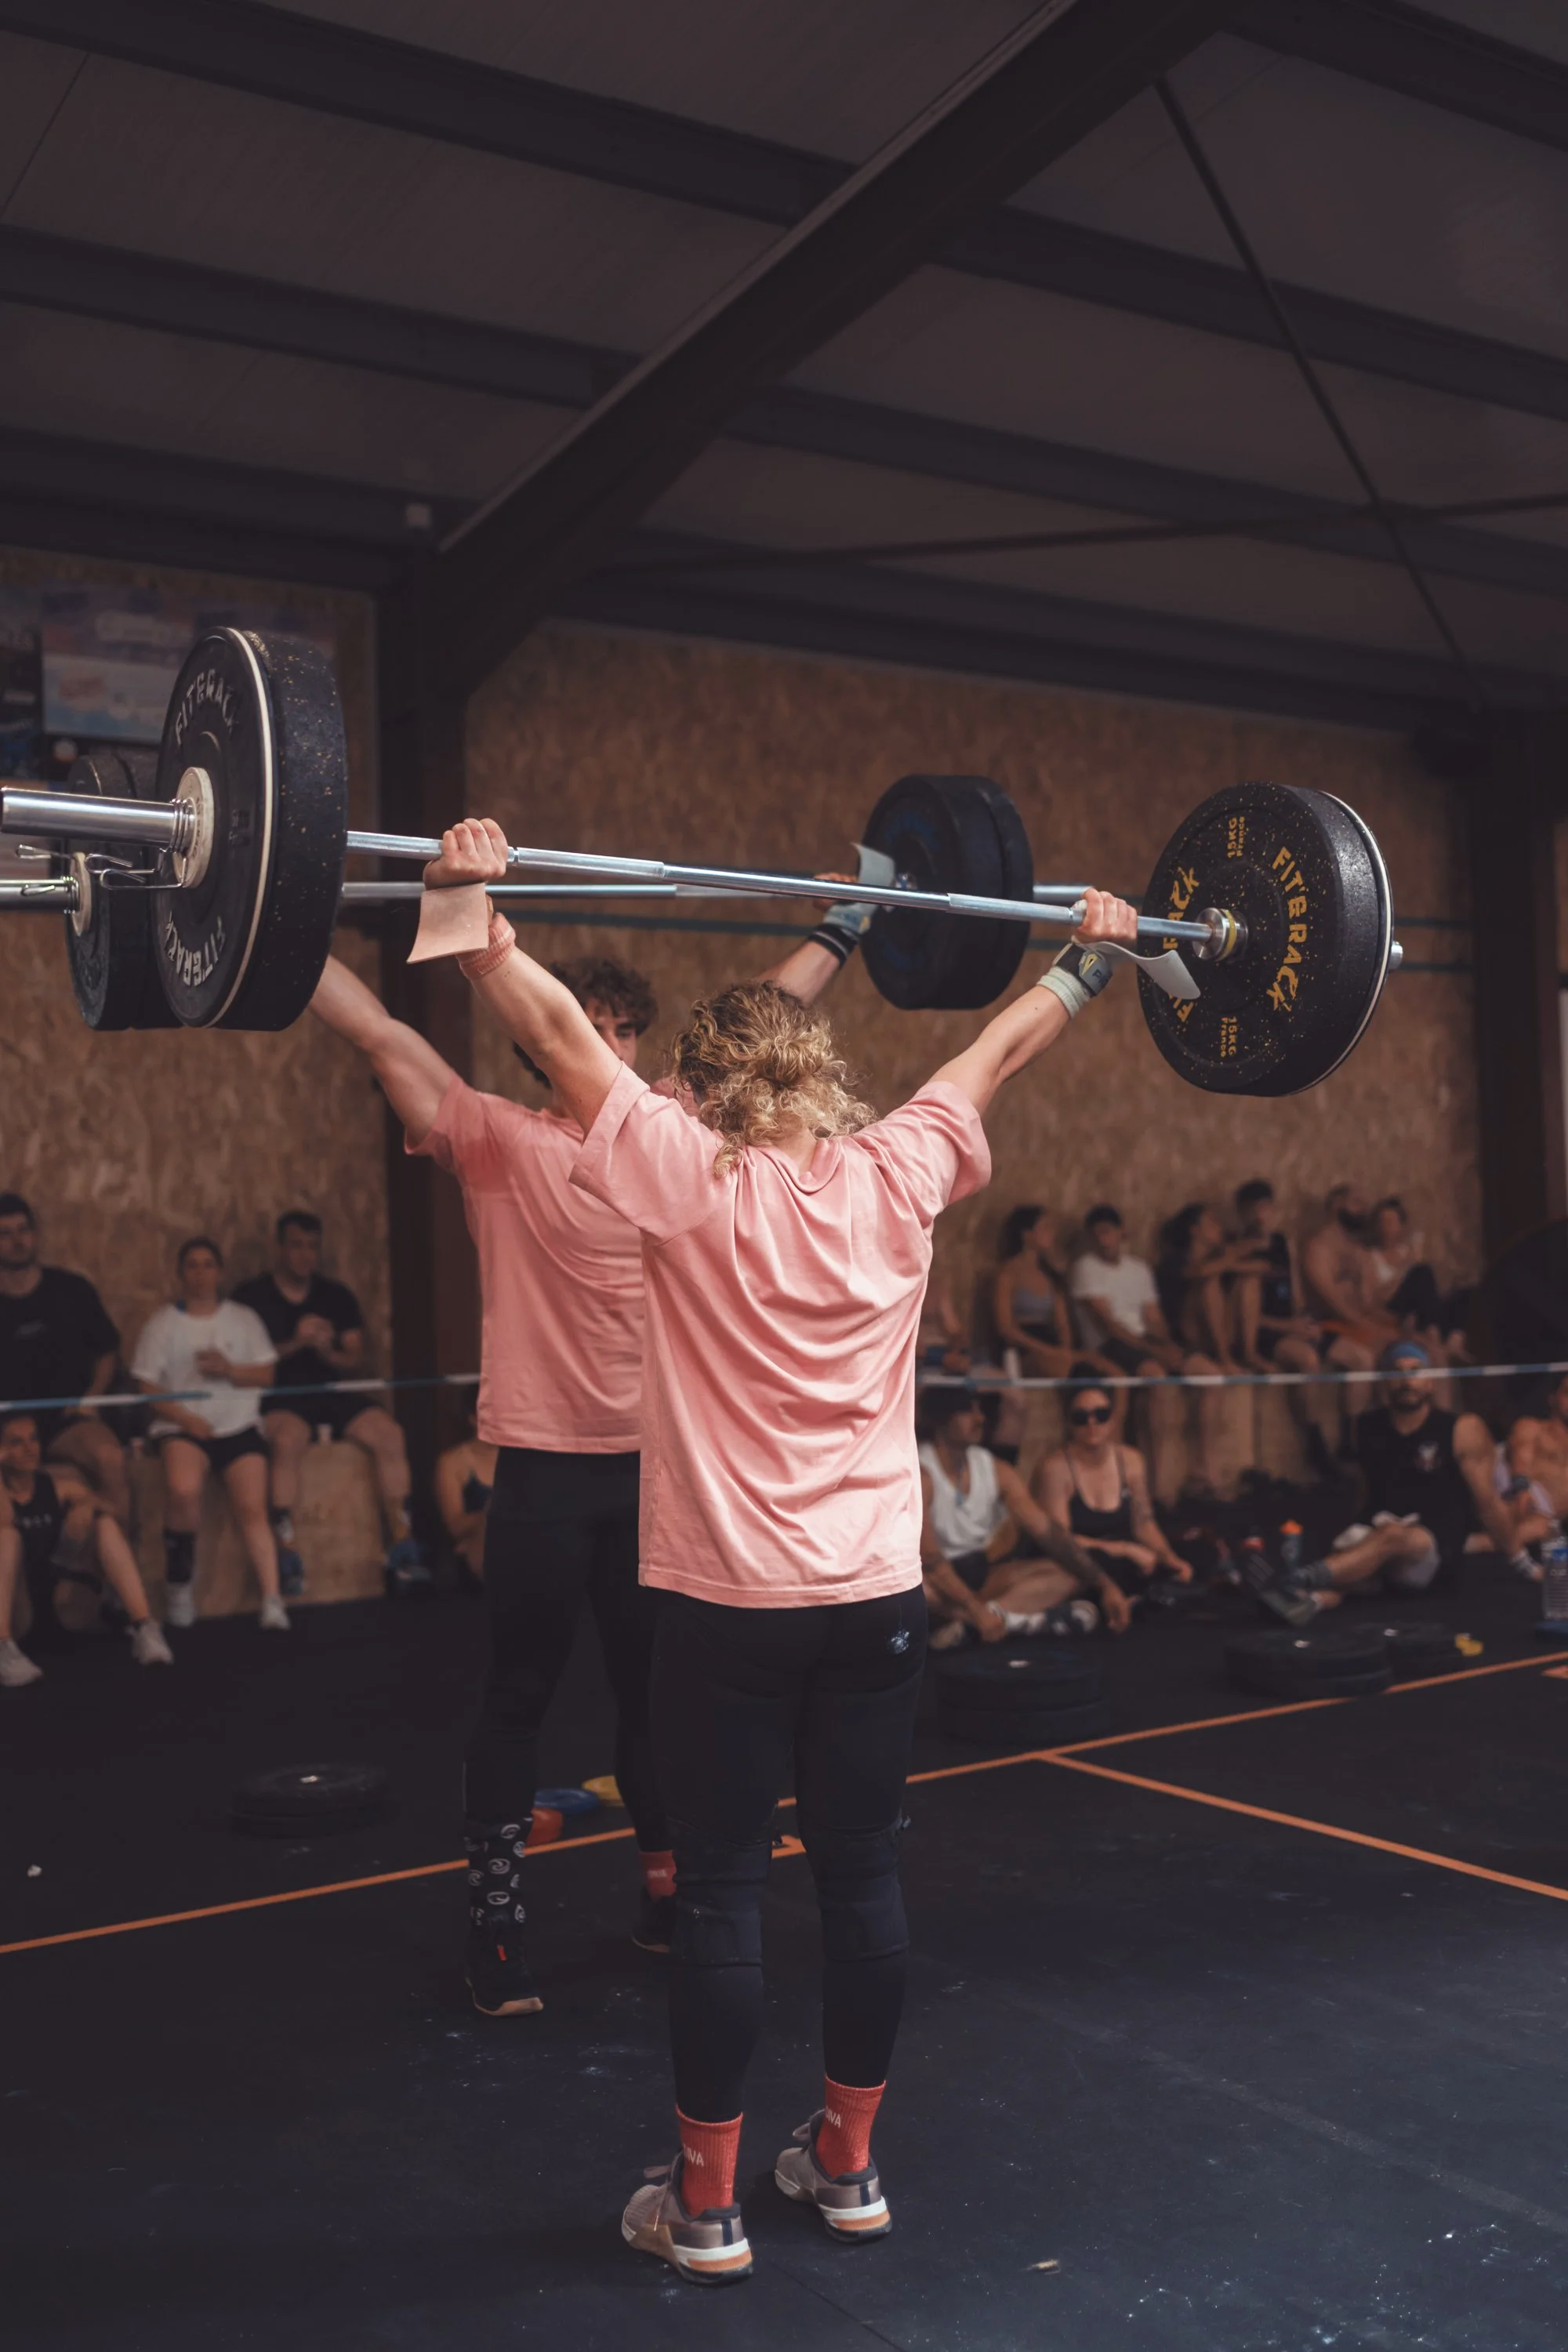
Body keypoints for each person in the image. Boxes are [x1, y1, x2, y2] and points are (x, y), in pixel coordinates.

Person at [420, 809, 1139, 2285]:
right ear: (821, 1080)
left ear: (712, 1090)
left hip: (729, 1609)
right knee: (863, 1880)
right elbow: (998, 1052)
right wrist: (1093, 960)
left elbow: (557, 1038)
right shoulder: (900, 1168)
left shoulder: (688, 1175)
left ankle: (707, 2206)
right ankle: (850, 2167)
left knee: (727, 1897)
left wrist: (472, 912)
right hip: (876, 1603)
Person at [307, 895, 866, 2022]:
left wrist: (845, 925)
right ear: (546, 1038)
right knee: (517, 1694)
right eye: (591, 1025)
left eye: (625, 1028)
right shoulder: (497, 1141)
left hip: (659, 1475)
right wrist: (279, 927)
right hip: (544, 1473)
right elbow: (377, 1032)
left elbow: (764, 1011)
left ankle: (663, 1897)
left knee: (652, 1702)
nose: (609, 1042)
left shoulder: (672, 1136)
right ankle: (495, 1925)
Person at [1247, 1338, 1528, 1624]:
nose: (1407, 1381)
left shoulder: (1461, 1429)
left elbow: (1488, 1503)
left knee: (1393, 1536)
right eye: (1397, 1372)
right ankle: (1311, 1601)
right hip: (1380, 1539)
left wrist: (1521, 1561)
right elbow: (1365, 1491)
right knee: (1351, 1557)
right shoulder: (1365, 1427)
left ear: (1430, 1381)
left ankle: (1294, 1579)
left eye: (1416, 1371)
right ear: (1384, 1381)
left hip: (1430, 1550)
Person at [233, 1211, 423, 1595]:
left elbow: (354, 1357)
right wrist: (296, 1342)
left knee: (390, 1434)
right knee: (287, 1440)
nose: (305, 1255)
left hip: (329, 1391)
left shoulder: (335, 1295)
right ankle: (286, 1548)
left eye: (312, 1247)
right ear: (279, 1248)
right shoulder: (252, 1298)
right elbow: (244, 1364)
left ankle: (403, 1544)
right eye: (296, 1245)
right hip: (280, 1395)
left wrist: (328, 1351)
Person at [130, 1239, 288, 1632]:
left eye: (208, 1265)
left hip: (238, 1424)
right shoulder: (162, 1324)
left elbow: (267, 1374)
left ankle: (272, 1598)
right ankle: (179, 1586)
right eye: (192, 1266)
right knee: (184, 1491)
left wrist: (230, 1370)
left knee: (253, 1506)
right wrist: (186, 1420)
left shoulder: (244, 1319)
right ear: (180, 1274)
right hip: (183, 1428)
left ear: (220, 1272)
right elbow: (147, 1387)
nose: (200, 1274)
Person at [917, 1381, 1129, 1647]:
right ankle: (1010, 1620)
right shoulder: (920, 1472)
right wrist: (975, 1609)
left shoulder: (995, 1468)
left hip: (982, 1575)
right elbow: (931, 1560)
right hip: (939, 1582)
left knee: (1068, 1573)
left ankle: (980, 1624)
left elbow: (1049, 1534)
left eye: (979, 1410)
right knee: (918, 1591)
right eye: (968, 1411)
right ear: (942, 1419)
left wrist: (1105, 1585)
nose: (980, 1419)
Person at [0, 1408, 171, 1686]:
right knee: (6, 1537)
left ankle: (144, 1626)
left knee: (104, 1523)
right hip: (17, 1611)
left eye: (34, 1439)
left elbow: (115, 1511)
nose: (30, 1449)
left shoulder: (59, 1487)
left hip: (65, 1603)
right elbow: (4, 1519)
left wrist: (89, 1505)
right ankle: (3, 1649)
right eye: (16, 1442)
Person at [1069, 1203, 1226, 1491]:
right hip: (1109, 1345)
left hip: (1145, 1342)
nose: (1104, 1240)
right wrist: (1155, 1352)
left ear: (1121, 1233)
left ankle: (1204, 1469)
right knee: (1157, 1378)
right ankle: (1156, 1481)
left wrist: (1169, 1347)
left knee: (1211, 1375)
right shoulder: (1085, 1268)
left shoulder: (1138, 1269)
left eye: (1108, 1232)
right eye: (1097, 1234)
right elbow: (1107, 1324)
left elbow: (1154, 1318)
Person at [0, 1194, 131, 1522]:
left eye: (23, 1230)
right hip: (5, 1427)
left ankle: (120, 1542)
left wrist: (91, 1399)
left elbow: (107, 1351)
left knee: (110, 1457)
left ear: (35, 1235)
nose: (17, 1241)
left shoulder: (72, 1290)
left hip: (67, 1420)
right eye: (5, 1234)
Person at [1232, 1177, 1366, 1473]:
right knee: (1307, 1359)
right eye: (1254, 1209)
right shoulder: (1236, 1252)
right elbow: (1241, 1316)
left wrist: (1305, 1322)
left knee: (1360, 1357)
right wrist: (1287, 1328)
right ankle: (1315, 1444)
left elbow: (1297, 1297)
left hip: (1292, 1325)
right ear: (1242, 1213)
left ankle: (1350, 1440)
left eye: (1265, 1208)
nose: (1261, 1215)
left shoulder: (1283, 1244)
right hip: (1264, 1331)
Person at [1034, 1377, 1196, 1592]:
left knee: (1195, 1557)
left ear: (1112, 1419)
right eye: (1081, 1417)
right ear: (1069, 1423)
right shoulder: (1055, 1469)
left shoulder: (1131, 1460)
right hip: (1081, 1562)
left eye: (1101, 1415)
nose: (1092, 1424)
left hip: (1126, 1558)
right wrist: (1123, 1549)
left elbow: (1144, 1523)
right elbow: (1061, 1542)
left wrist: (1168, 1557)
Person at [1302, 1184, 1396, 1356]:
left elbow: (1369, 1301)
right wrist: (1363, 1325)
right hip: (1330, 1325)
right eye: (1357, 1203)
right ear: (1337, 1205)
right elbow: (1328, 1299)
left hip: (1358, 1323)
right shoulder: (1319, 1247)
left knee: (1415, 1348)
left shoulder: (1359, 1251)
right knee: (1371, 1355)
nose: (1364, 1210)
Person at [436, 1414, 498, 1581]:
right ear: (473, 1419)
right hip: (475, 1552)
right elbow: (455, 1526)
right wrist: (489, 1515)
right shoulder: (453, 1462)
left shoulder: (517, 1459)